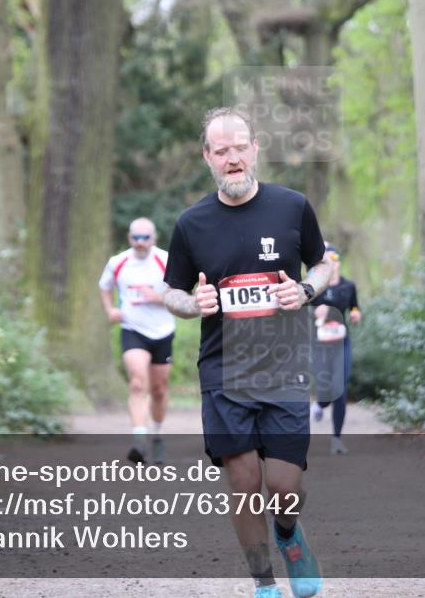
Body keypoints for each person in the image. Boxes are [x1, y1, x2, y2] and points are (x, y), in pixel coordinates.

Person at [162, 107, 333, 598]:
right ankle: (264, 585)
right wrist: (193, 303)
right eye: (222, 151)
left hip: (284, 368)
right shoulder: (191, 224)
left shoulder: (292, 206)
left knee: (283, 486)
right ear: (208, 159)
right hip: (223, 371)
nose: (232, 158)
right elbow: (170, 292)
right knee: (243, 482)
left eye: (240, 147)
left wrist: (303, 291)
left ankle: (288, 534)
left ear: (255, 149)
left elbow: (322, 265)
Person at [98, 217, 176, 465]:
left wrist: (159, 297)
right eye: (136, 238)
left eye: (145, 238)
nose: (140, 243)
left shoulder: (165, 260)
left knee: (159, 389)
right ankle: (139, 441)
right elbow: (104, 286)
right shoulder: (118, 262)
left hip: (162, 330)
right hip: (132, 329)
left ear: (154, 238)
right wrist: (110, 309)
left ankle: (157, 435)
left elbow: (182, 291)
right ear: (129, 238)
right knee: (137, 383)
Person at [310, 243, 362, 454]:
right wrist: (316, 312)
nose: (331, 264)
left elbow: (355, 307)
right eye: (326, 260)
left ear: (338, 262)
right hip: (320, 344)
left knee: (340, 387)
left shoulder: (348, 287)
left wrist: (356, 314)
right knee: (326, 386)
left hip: (342, 342)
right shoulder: (316, 287)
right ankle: (321, 404)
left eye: (333, 259)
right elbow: (305, 309)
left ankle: (337, 439)